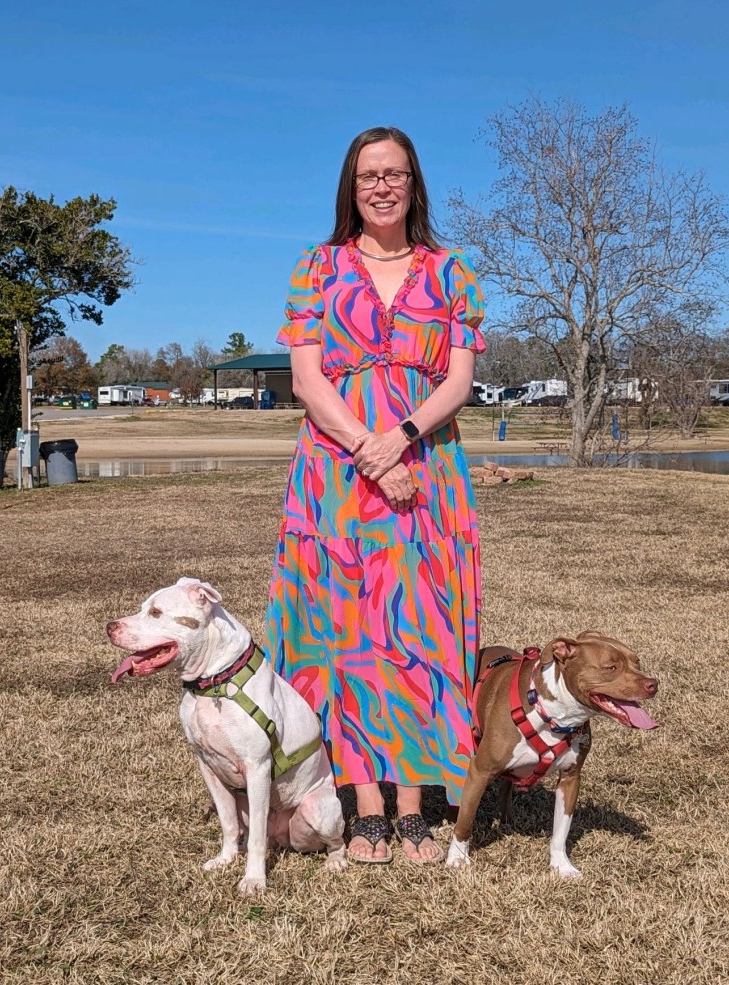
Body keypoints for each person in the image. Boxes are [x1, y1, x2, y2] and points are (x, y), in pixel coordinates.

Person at [265, 126, 485, 865]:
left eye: (395, 174)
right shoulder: (317, 268)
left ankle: (414, 806)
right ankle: (363, 808)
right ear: (351, 188)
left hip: (428, 467)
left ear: (414, 184)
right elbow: (307, 380)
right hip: (335, 471)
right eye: (368, 176)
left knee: (419, 628)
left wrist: (403, 437)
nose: (382, 187)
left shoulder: (452, 272)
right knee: (347, 629)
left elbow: (459, 380)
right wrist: (369, 448)